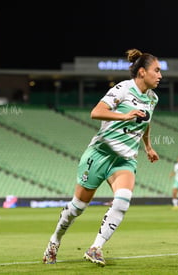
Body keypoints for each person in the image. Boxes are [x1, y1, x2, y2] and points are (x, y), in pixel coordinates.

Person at [42, 48, 162, 266]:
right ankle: (54, 240)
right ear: (142, 72)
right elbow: (96, 112)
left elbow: (146, 121)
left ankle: (95, 248)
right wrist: (123, 115)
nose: (160, 75)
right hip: (100, 154)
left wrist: (148, 146)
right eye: (157, 70)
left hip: (124, 160)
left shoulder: (153, 98)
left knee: (123, 201)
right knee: (76, 208)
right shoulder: (123, 89)